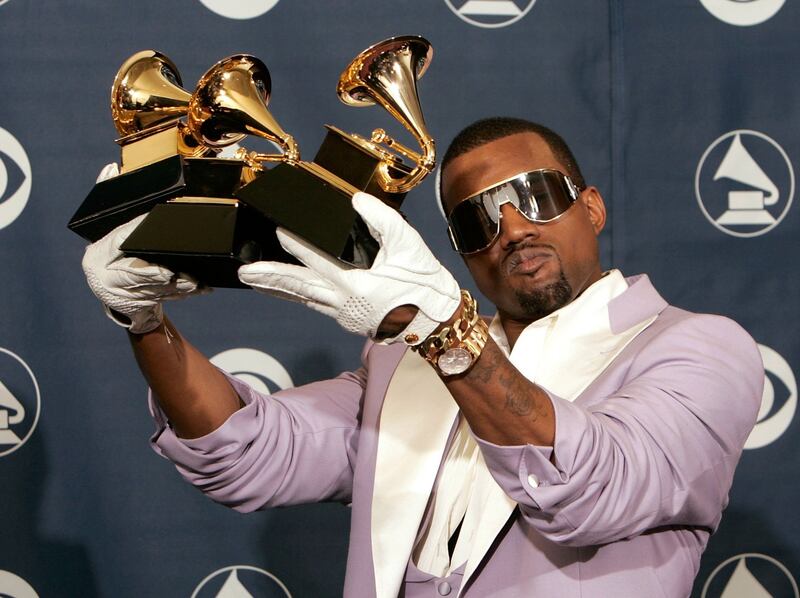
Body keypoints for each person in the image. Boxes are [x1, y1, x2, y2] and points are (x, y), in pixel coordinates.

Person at [81, 117, 764, 597]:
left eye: (535, 196)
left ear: (591, 207)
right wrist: (145, 321)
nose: (512, 228)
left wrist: (444, 332)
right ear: (463, 251)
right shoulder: (403, 365)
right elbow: (243, 452)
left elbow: (598, 488)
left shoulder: (696, 347)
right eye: (477, 218)